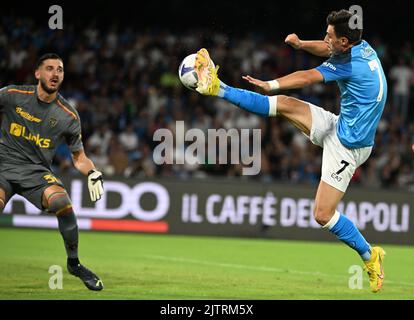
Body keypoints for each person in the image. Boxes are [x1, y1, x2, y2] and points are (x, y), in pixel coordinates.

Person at [192, 10, 387, 293]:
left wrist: (270, 84)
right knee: (282, 104)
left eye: (330, 36)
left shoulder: (349, 66)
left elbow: (308, 76)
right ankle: (218, 88)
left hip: (348, 147)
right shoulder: (360, 46)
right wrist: (301, 45)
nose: (325, 39)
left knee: (322, 214)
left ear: (344, 41)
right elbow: (326, 48)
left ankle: (371, 256)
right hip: (341, 126)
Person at [0, 53, 105, 291]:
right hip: (3, 165)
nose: (55, 74)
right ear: (38, 73)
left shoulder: (68, 116)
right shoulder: (11, 95)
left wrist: (93, 172)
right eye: (49, 68)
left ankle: (74, 263)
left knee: (62, 201)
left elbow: (79, 158)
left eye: (60, 69)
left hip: (36, 172)